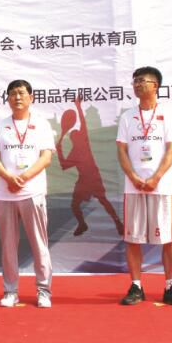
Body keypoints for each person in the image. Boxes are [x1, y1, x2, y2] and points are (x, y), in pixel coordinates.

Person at [116, 67, 172, 307]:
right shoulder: (128, 116)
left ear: (155, 85)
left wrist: (156, 177)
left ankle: (170, 286)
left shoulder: (168, 114)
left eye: (142, 81)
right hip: (134, 186)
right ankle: (136, 286)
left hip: (162, 186)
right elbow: (122, 150)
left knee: (168, 238)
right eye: (135, 81)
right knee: (132, 238)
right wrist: (134, 176)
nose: (137, 84)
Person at [0, 80, 55, 308]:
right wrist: (9, 178)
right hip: (5, 194)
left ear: (31, 97)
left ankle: (43, 291)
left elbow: (46, 157)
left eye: (21, 93)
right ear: (7, 98)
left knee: (39, 243)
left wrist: (24, 177)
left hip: (32, 191)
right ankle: (10, 291)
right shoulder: (1, 126)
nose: (17, 97)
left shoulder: (41, 124)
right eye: (13, 94)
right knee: (8, 245)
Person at [57, 95, 125, 237]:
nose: (76, 134)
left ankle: (118, 223)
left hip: (93, 177)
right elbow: (64, 165)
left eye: (77, 133)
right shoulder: (74, 152)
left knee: (103, 200)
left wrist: (78, 106)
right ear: (72, 139)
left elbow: (83, 122)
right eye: (74, 135)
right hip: (83, 180)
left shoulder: (84, 143)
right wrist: (59, 149)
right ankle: (82, 224)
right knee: (75, 205)